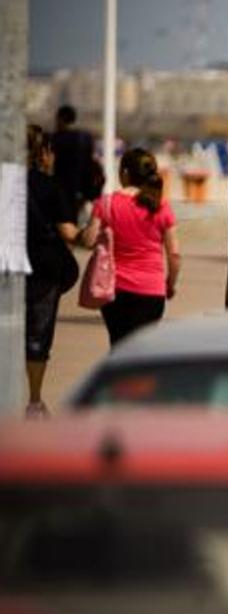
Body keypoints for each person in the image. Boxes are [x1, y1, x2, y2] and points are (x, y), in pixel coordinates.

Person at [83, 148, 180, 347]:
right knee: (143, 351)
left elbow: (88, 241)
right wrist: (170, 284)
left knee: (118, 347)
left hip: (116, 290)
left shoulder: (106, 203)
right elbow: (174, 254)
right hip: (152, 291)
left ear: (125, 173)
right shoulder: (160, 206)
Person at [24, 125, 89, 419]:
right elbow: (68, 232)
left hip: (7, 266)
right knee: (38, 336)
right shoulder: (50, 187)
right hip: (43, 269)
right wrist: (88, 236)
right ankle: (34, 401)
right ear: (43, 153)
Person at [50, 105, 98, 221]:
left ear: (60, 119)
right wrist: (87, 193)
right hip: (79, 193)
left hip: (59, 190)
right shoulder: (85, 139)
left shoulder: (54, 139)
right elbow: (89, 166)